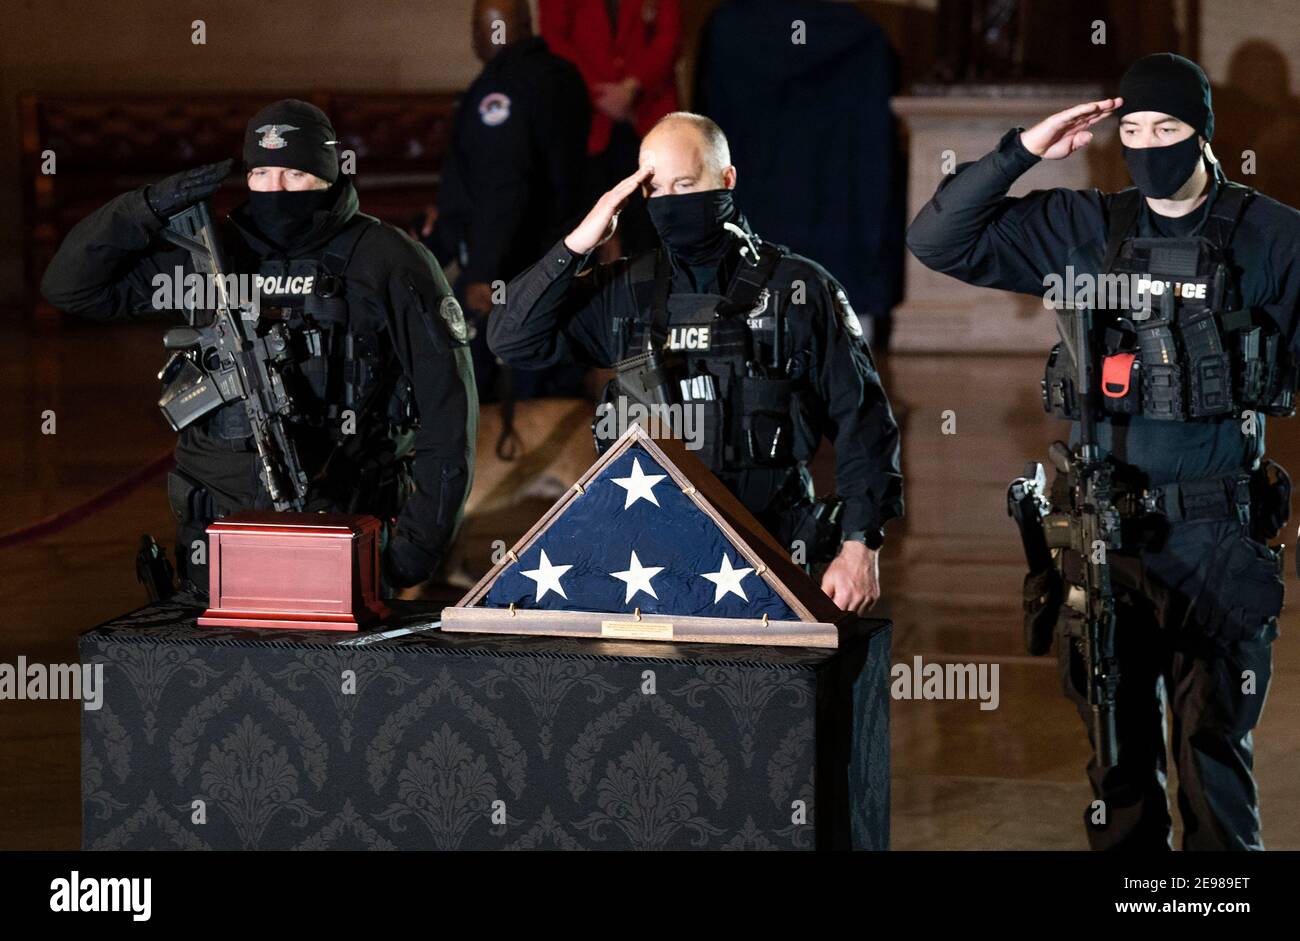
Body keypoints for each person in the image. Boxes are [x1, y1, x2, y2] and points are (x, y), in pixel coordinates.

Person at [907, 53, 1300, 850]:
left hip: (1216, 536)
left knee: (1214, 760)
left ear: (1204, 133)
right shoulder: (1087, 227)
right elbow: (938, 239)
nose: (1149, 145)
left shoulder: (1272, 235)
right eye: (1133, 130)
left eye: (1168, 129)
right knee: (1117, 770)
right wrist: (1023, 150)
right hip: (1103, 542)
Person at [42, 99, 477, 596]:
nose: (276, 190)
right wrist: (144, 207)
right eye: (263, 173)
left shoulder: (388, 260)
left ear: (328, 175)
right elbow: (70, 287)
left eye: (294, 174)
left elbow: (449, 408)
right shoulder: (209, 255)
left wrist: (414, 550)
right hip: (216, 534)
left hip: (343, 526)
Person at [488, 112, 903, 615]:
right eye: (655, 191)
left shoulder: (799, 289)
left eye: (686, 184)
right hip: (643, 559)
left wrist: (860, 545)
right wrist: (579, 243)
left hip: (770, 549)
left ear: (726, 179)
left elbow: (864, 422)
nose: (671, 203)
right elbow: (511, 340)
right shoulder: (624, 291)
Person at [424, 0, 591, 403]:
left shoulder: (500, 91)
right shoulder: (564, 76)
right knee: (554, 380)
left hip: (508, 268)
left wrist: (484, 270)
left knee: (475, 388)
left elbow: (505, 187)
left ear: (490, 31)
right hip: (563, 258)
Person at [539, 0, 681, 260]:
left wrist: (632, 87)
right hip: (587, 122)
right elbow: (554, 38)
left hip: (647, 115)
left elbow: (669, 36)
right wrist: (600, 94)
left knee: (655, 228)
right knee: (589, 233)